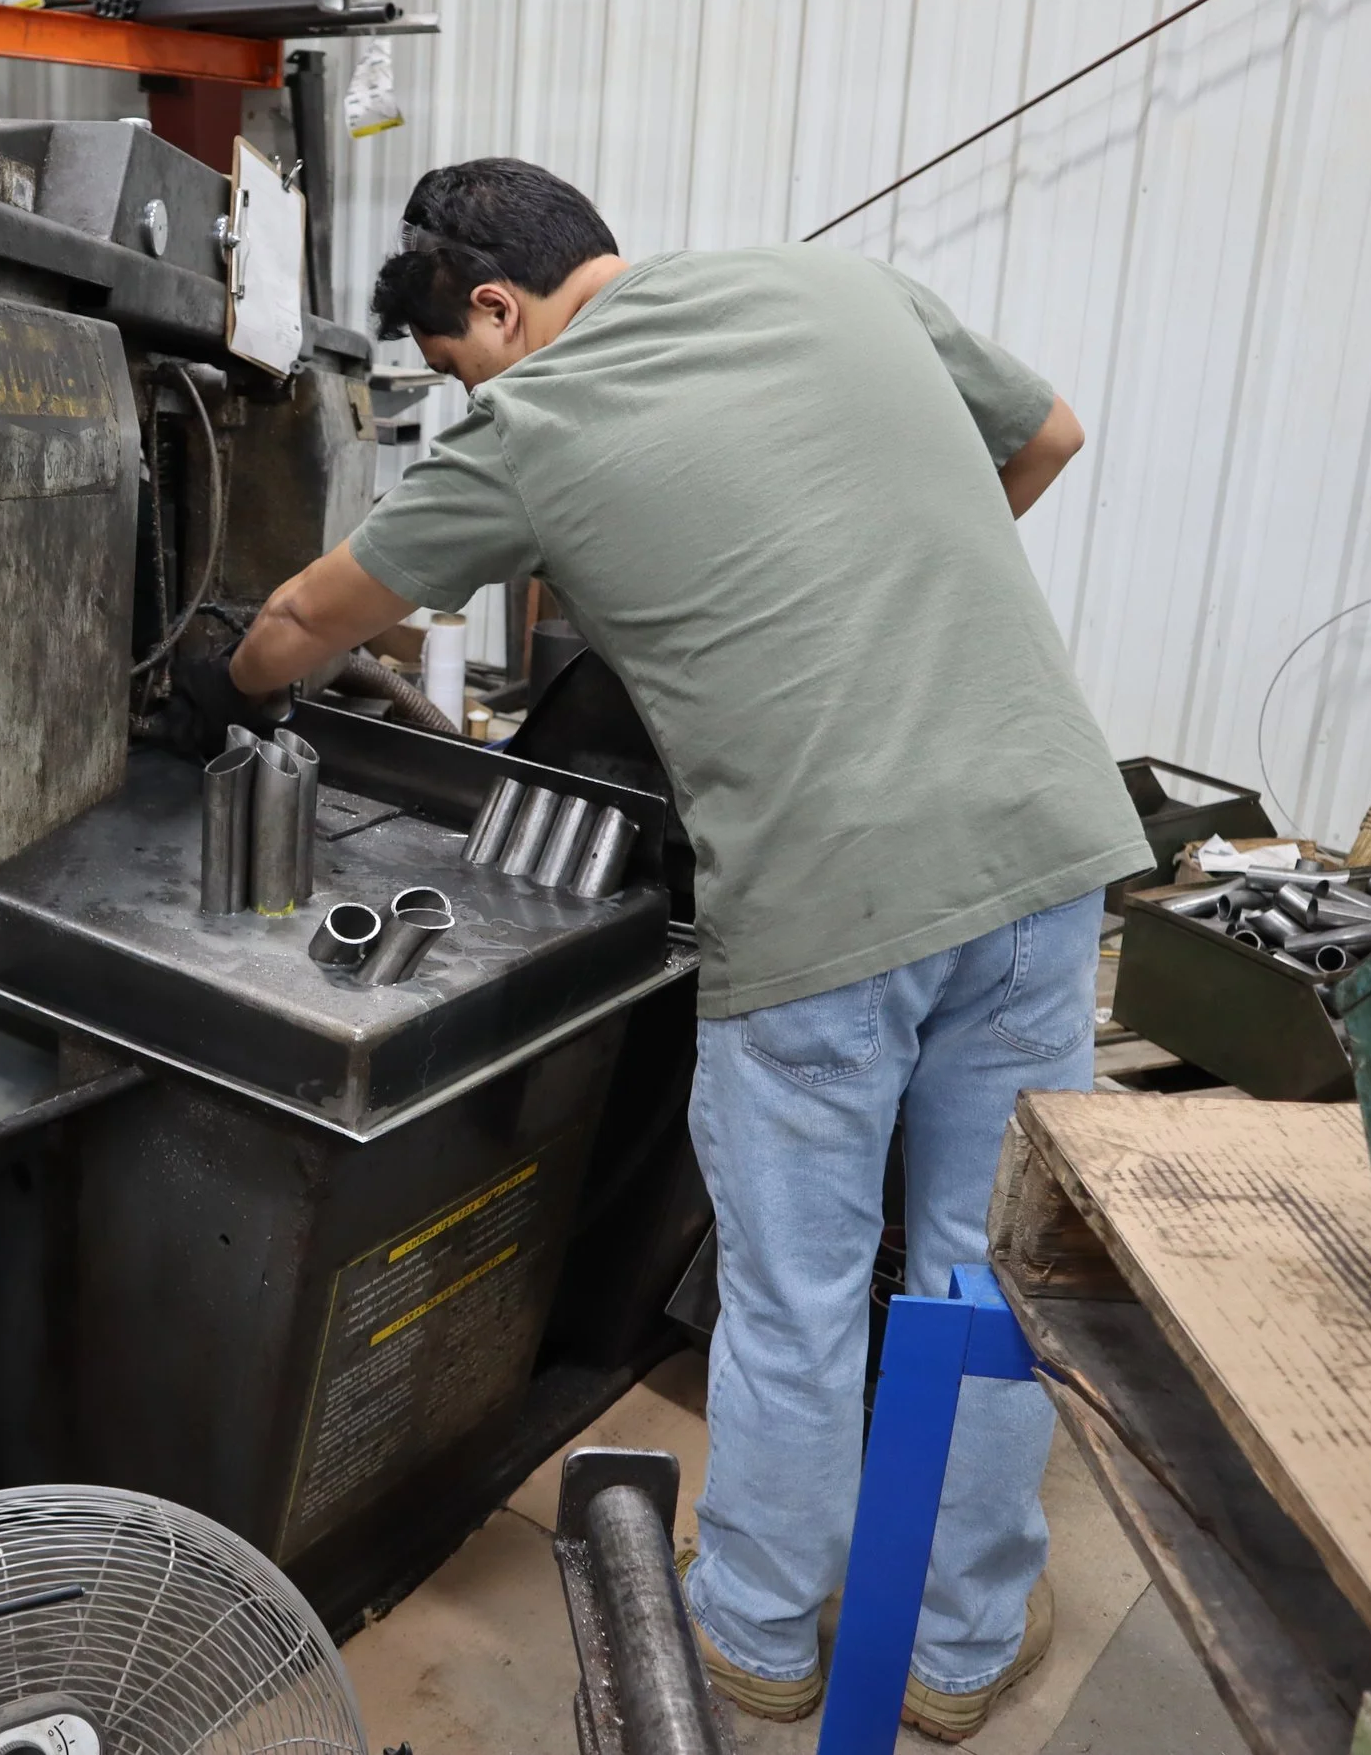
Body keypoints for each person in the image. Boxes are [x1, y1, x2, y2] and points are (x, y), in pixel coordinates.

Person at [200, 159, 1151, 1737]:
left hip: (826, 904)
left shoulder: (539, 417)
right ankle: (961, 1649)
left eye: (454, 366)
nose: (466, 395)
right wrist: (881, 612)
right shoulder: (837, 281)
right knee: (990, 1283)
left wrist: (221, 689)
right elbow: (1044, 434)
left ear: (498, 308)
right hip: (1044, 851)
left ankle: (764, 1638)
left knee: (798, 1293)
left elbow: (310, 619)